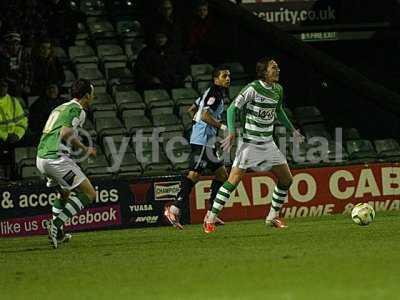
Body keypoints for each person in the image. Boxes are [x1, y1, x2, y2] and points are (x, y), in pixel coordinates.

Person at [203, 57, 304, 234]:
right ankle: (210, 219)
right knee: (232, 181)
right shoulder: (253, 88)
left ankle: (272, 217)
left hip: (268, 144)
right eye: (274, 67)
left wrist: (292, 130)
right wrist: (232, 132)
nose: (278, 70)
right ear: (264, 72)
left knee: (287, 179)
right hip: (249, 144)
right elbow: (232, 108)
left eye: (278, 67)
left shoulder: (278, 89)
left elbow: (278, 111)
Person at [164, 65, 231, 229]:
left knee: (222, 175)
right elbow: (204, 115)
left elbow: (192, 110)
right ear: (216, 79)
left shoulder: (210, 92)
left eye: (228, 76)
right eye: (224, 76)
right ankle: (173, 209)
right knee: (193, 175)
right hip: (202, 141)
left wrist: (196, 124)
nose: (228, 78)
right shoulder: (215, 94)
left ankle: (211, 214)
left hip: (205, 140)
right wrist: (221, 127)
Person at [36, 79, 97, 249]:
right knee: (90, 194)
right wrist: (85, 149)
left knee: (64, 193)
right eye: (92, 94)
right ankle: (55, 225)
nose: (93, 97)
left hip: (41, 157)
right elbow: (65, 132)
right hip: (55, 158)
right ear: (86, 95)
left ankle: (60, 234)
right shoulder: (78, 109)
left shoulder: (60, 107)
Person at [0, 32, 32, 96]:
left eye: (16, 44)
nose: (14, 47)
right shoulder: (2, 57)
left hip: (22, 88)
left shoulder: (24, 55)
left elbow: (29, 72)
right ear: (7, 45)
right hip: (6, 88)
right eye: (11, 44)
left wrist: (26, 85)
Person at [0, 78, 28, 145]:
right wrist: (5, 136)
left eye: (4, 85)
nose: (2, 88)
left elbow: (22, 121)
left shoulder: (13, 101)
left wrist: (18, 135)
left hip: (14, 138)